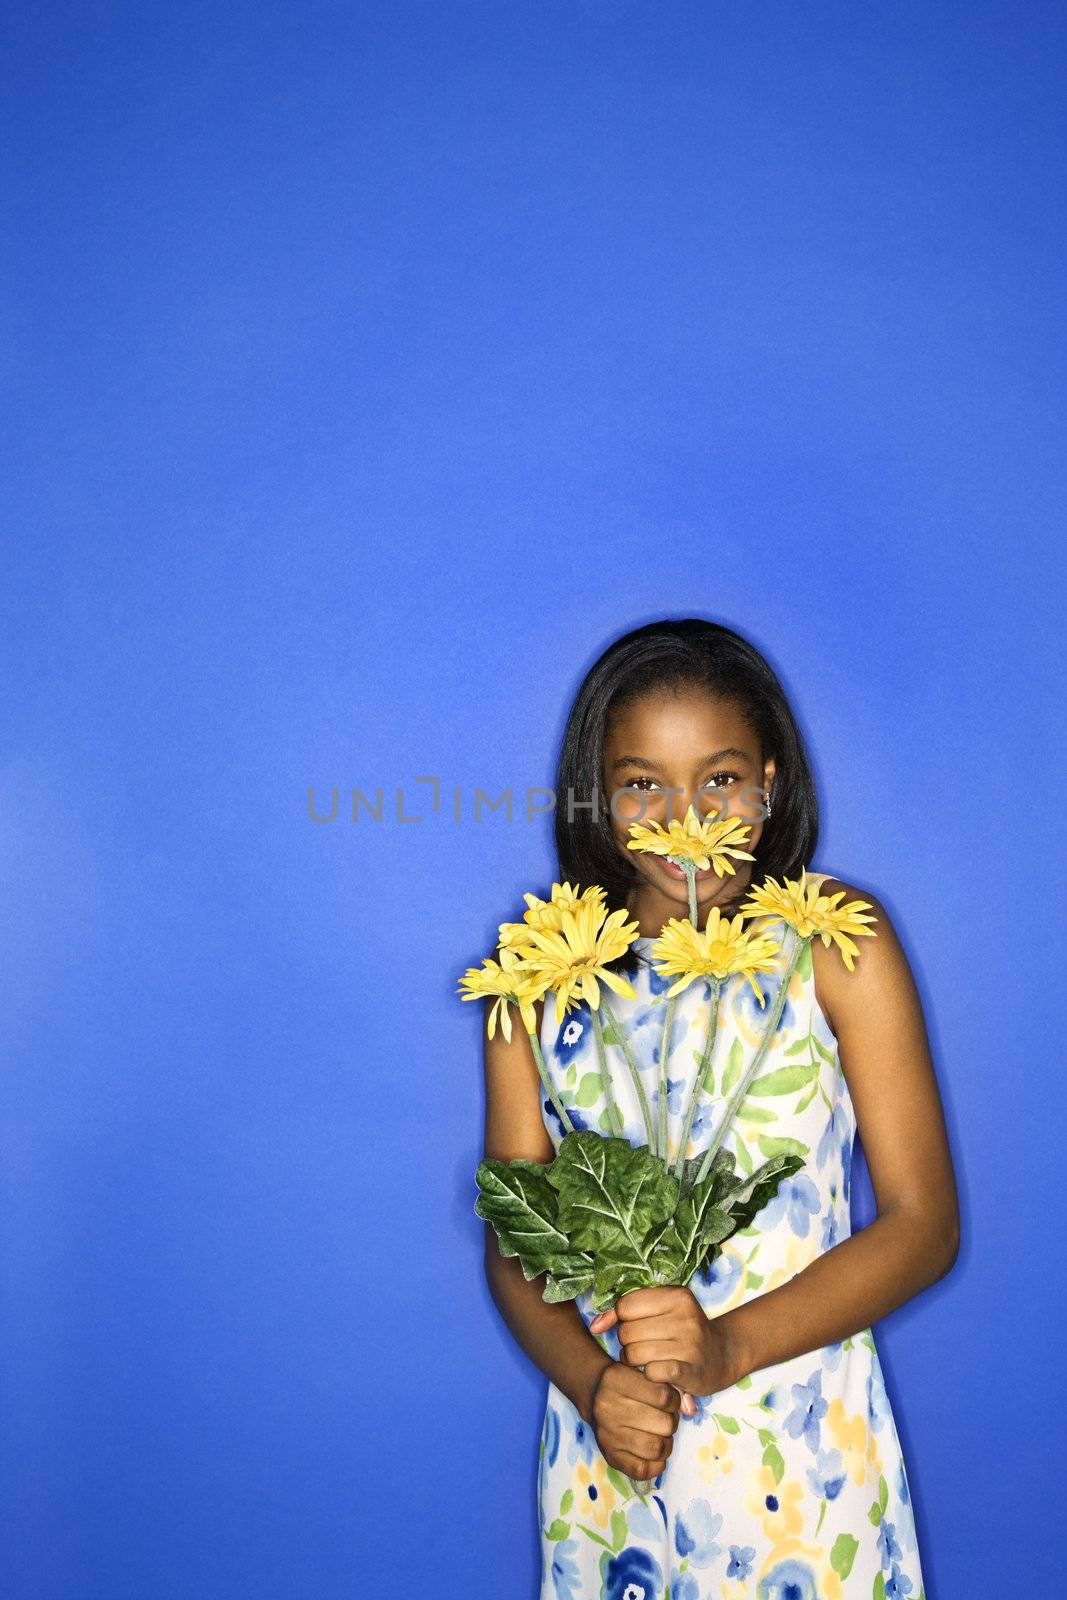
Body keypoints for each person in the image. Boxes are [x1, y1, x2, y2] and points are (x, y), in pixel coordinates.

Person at [480, 616, 958, 1600]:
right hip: (616, 1454)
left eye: (721, 779)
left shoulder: (833, 946)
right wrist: (593, 1384)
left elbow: (923, 1225)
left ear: (770, 782)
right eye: (640, 783)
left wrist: (729, 1344)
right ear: (596, 797)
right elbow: (512, 1235)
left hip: (797, 1448)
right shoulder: (538, 979)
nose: (682, 819)